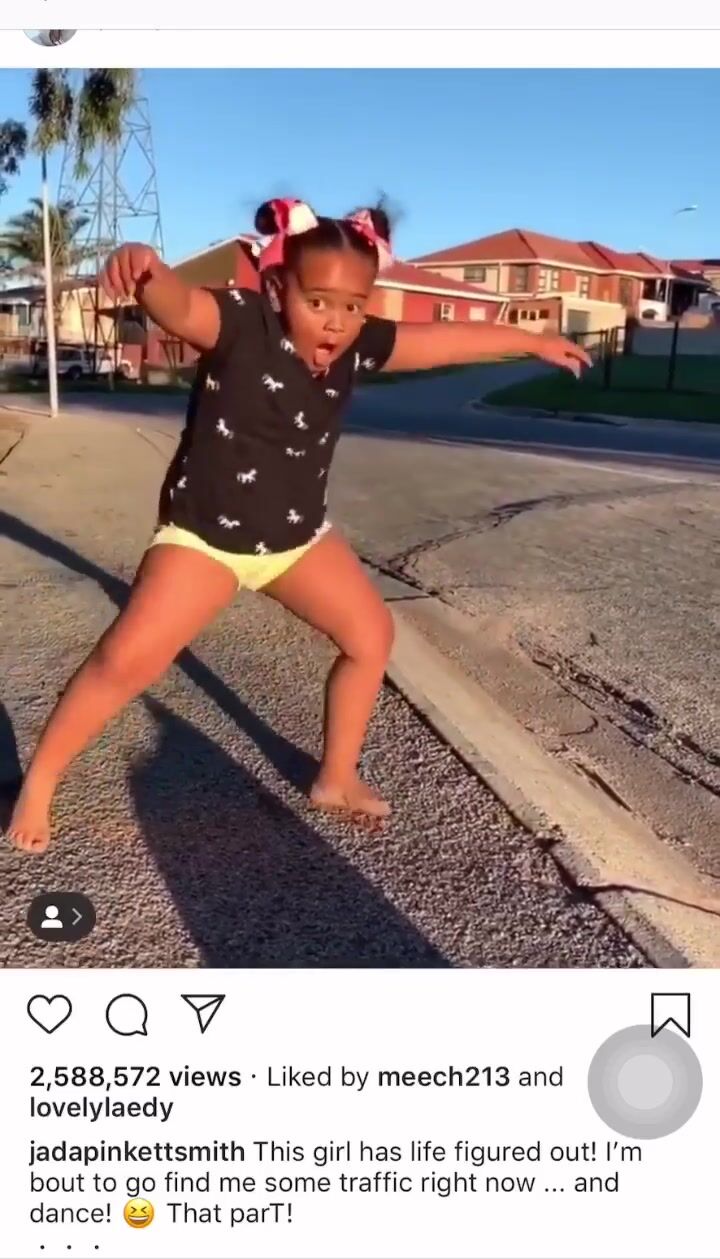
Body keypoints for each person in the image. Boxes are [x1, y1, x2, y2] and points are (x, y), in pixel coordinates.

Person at [7, 198, 590, 853]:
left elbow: (437, 342)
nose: (337, 321)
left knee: (371, 635)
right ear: (279, 287)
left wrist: (530, 341)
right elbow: (181, 305)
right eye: (318, 302)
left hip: (297, 540)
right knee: (126, 660)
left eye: (353, 305)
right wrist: (144, 269)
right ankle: (43, 777)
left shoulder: (356, 345)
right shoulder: (240, 321)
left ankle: (336, 777)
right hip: (205, 541)